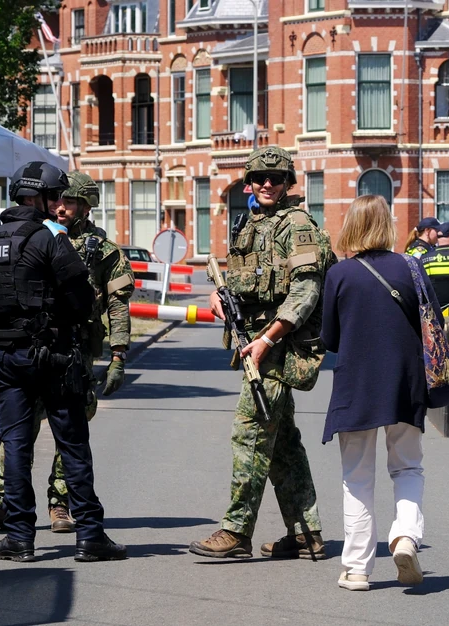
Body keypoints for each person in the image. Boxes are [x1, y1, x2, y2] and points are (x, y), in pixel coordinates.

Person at [0, 161, 126, 563]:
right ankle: (90, 537)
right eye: (56, 197)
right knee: (73, 445)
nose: (59, 205)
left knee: (15, 447)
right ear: (43, 198)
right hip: (55, 357)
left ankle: (19, 538)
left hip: (6, 360)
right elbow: (82, 298)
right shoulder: (52, 239)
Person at [189, 146, 334, 560]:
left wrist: (268, 339)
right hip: (254, 343)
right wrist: (221, 295)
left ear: (289, 183)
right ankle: (307, 533)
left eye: (277, 177)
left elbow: (307, 290)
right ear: (249, 182)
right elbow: (243, 279)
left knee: (250, 435)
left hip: (278, 348)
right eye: (260, 177)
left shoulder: (298, 225)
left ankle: (236, 531)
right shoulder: (249, 223)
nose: (268, 184)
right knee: (283, 442)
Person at [321, 195, 435, 591]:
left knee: (357, 478)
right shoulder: (412, 267)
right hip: (405, 382)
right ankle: (405, 535)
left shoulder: (339, 275)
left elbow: (330, 338)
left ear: (351, 225)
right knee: (407, 467)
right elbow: (432, 325)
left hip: (356, 385)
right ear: (388, 225)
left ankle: (356, 569)